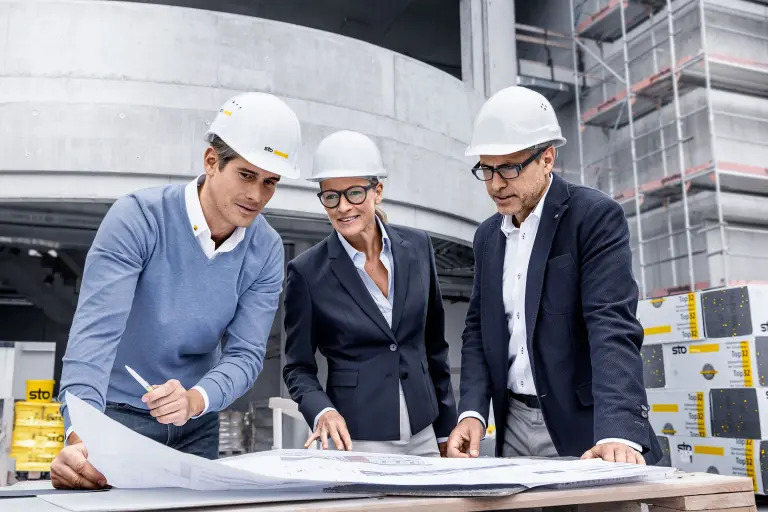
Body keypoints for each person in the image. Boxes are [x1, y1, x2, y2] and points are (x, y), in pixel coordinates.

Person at [51, 92, 303, 489]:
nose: (257, 196)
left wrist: (195, 400)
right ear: (211, 162)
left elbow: (246, 354)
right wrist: (81, 437)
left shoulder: (266, 249)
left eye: (270, 182)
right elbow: (93, 340)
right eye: (246, 175)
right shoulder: (138, 219)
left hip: (196, 425)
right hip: (116, 418)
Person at [446, 86, 662, 465]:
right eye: (486, 169)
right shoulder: (486, 237)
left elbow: (611, 324)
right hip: (511, 423)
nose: (496, 184)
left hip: (586, 429)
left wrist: (617, 431)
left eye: (509, 168)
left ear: (547, 158)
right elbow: (479, 330)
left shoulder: (592, 216)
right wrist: (472, 412)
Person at [282, 130, 457, 456]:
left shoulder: (418, 247)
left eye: (354, 193)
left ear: (378, 191)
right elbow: (297, 368)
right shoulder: (306, 272)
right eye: (331, 196)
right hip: (357, 438)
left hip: (425, 433)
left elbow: (434, 347)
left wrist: (446, 429)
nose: (343, 207)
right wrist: (323, 410)